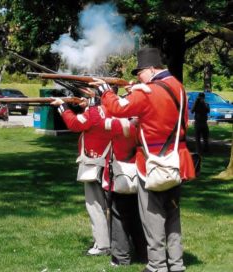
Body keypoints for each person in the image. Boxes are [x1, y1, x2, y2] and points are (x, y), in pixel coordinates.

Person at [89, 47, 195, 272]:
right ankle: (176, 264)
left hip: (151, 163)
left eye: (139, 72)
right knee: (173, 216)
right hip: (177, 160)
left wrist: (106, 91)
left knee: (152, 217)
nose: (137, 76)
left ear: (150, 69)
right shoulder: (179, 87)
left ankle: (156, 265)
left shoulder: (146, 91)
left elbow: (117, 108)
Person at [50, 96, 111, 256]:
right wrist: (85, 105)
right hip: (112, 163)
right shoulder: (114, 108)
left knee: (95, 206)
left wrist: (63, 106)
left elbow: (74, 124)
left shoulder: (94, 112)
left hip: (96, 164)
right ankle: (117, 242)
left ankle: (103, 245)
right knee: (112, 207)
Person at [98, 115, 148, 266]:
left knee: (119, 218)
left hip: (120, 177)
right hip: (141, 174)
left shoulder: (116, 124)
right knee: (138, 218)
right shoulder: (144, 123)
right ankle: (144, 253)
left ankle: (121, 257)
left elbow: (97, 124)